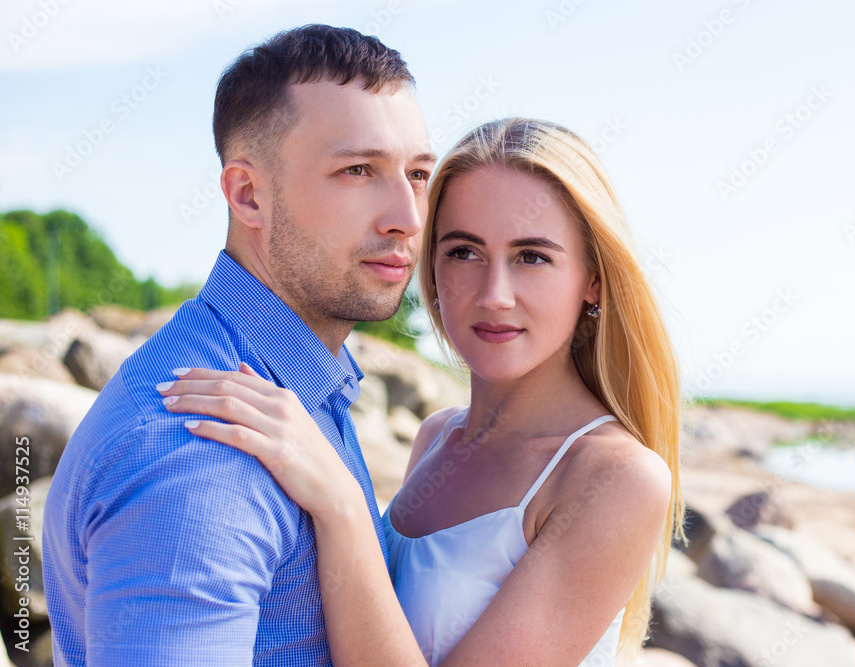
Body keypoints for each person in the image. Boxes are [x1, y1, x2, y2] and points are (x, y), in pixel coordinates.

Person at [159, 118, 685, 665]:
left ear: (593, 278)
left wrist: (340, 506)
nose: (494, 295)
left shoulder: (617, 478)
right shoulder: (437, 436)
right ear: (429, 265)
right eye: (463, 252)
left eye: (532, 257)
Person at [42, 25, 436, 664]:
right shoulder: (199, 452)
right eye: (358, 170)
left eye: (417, 173)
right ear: (248, 195)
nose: (408, 218)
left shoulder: (302, 382)